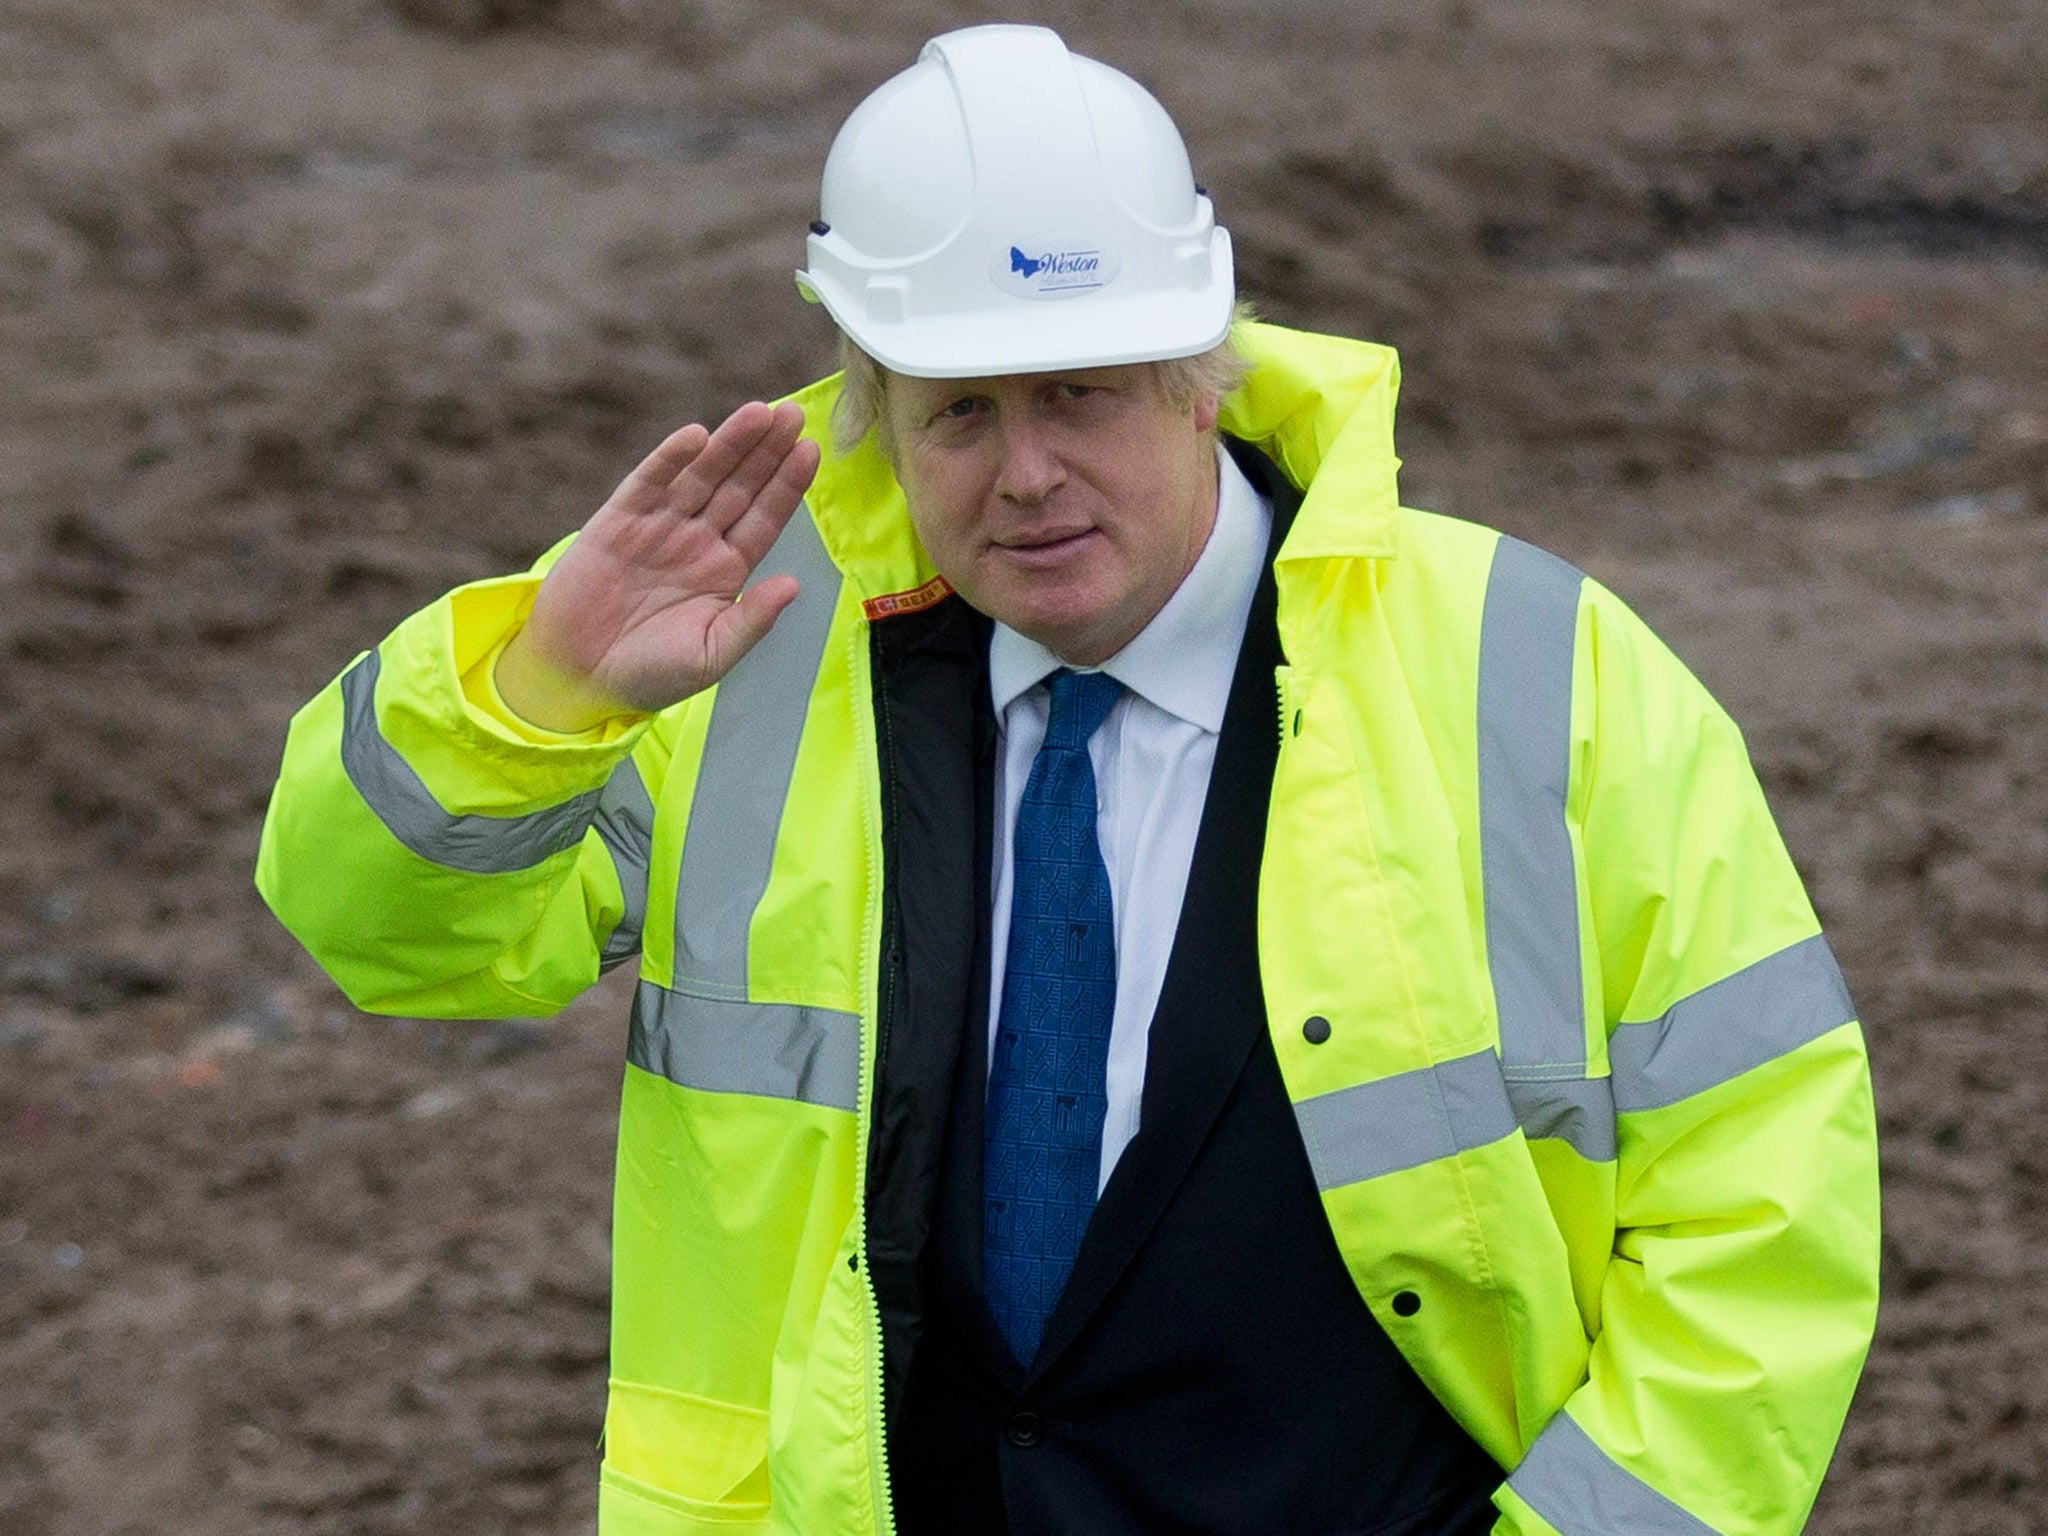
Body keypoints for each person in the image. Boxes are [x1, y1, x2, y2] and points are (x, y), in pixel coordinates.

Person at [257, 23, 1880, 1536]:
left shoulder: (1534, 668)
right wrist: (535, 697)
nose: (1024, 475)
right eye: (959, 413)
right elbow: (393, 942)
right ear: (872, 409)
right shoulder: (733, 660)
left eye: (1080, 395)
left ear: (1202, 370)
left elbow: (1760, 1198)